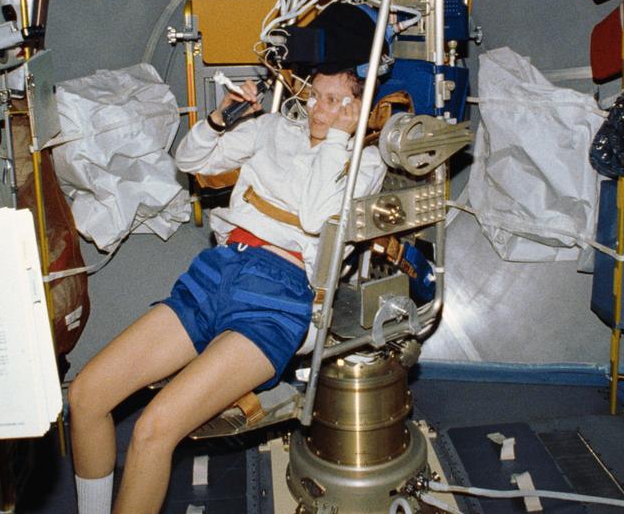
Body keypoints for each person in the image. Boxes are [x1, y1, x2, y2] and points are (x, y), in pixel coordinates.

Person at [68, 68, 387, 514]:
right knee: (86, 395)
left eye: (335, 101)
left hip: (278, 294)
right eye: (315, 96)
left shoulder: (364, 164)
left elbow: (316, 217)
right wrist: (220, 119)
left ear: (358, 109)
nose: (318, 108)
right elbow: (190, 161)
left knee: (153, 429)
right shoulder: (275, 128)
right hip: (217, 271)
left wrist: (336, 140)